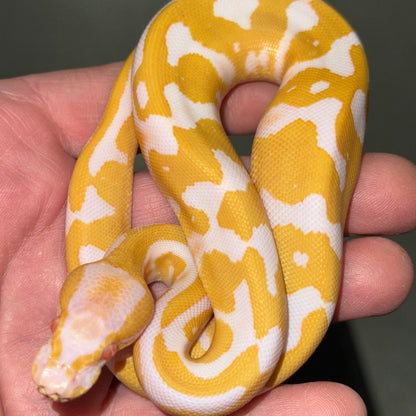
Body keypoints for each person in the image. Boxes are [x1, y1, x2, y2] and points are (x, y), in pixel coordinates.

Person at [0, 63, 414, 416]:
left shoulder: (142, 300)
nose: (61, 374)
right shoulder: (160, 288)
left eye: (110, 353)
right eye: (103, 352)